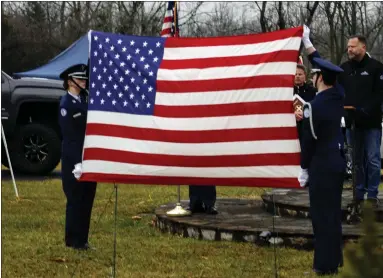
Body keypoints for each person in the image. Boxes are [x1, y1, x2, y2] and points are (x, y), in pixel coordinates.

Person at [304, 29, 383, 207]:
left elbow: (379, 94)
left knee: (372, 159)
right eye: (348, 47)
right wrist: (308, 45)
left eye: (353, 47)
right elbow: (327, 75)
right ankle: (358, 193)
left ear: (363, 47)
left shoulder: (376, 68)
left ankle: (372, 195)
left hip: (371, 123)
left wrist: (365, 110)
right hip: (351, 123)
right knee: (355, 161)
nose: (349, 50)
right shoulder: (345, 69)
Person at [298, 26, 346, 276]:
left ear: (319, 79)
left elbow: (309, 142)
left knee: (321, 217)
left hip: (321, 167)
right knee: (333, 215)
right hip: (336, 164)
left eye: (314, 76)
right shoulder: (339, 95)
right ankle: (334, 259)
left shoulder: (313, 107)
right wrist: (309, 44)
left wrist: (303, 168)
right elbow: (324, 64)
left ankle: (324, 265)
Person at [58, 64, 97, 250]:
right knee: (75, 200)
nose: (84, 81)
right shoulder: (66, 104)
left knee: (87, 199)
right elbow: (71, 137)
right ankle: (72, 240)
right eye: (80, 79)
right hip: (74, 159)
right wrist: (77, 162)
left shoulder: (84, 99)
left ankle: (83, 239)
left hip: (87, 157)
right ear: (70, 81)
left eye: (84, 79)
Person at [294, 64, 317, 142]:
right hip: (292, 127)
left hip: (307, 128)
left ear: (304, 75)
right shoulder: (287, 90)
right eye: (295, 74)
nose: (297, 76)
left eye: (300, 74)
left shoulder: (312, 91)